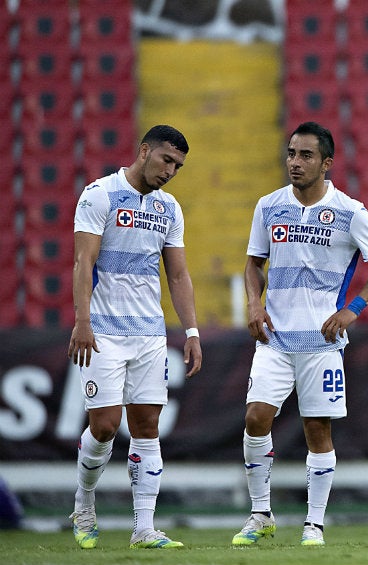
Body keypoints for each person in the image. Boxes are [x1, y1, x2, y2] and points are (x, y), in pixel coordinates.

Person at [232, 121, 368, 547]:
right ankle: (261, 514)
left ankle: (314, 524)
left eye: (305, 156)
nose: (295, 163)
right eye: (291, 154)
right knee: (255, 418)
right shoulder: (269, 206)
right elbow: (253, 263)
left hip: (322, 342)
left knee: (317, 430)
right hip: (274, 338)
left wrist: (353, 309)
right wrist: (254, 303)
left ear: (326, 163)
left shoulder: (350, 212)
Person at [67, 125, 202, 549]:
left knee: (147, 428)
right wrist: (82, 322)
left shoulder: (170, 208)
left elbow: (177, 274)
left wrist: (192, 331)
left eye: (178, 166)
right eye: (166, 160)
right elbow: (82, 261)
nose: (171, 171)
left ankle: (144, 527)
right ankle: (84, 500)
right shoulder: (99, 195)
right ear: (144, 151)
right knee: (104, 427)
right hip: (104, 331)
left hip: (149, 333)